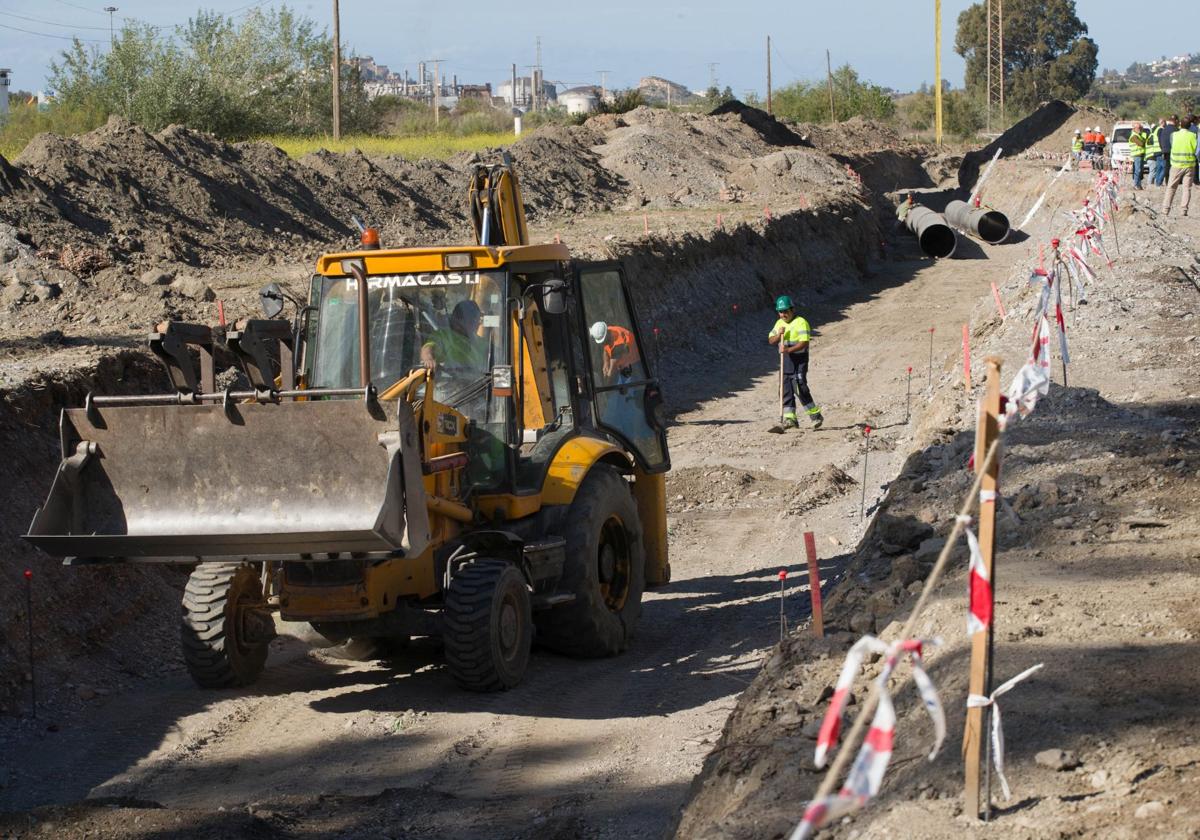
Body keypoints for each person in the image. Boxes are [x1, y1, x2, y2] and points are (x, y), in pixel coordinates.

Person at [767, 295, 823, 430]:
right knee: (785, 388)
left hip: (799, 361)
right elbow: (771, 341)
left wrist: (788, 349)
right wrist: (778, 335)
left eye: (786, 311)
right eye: (780, 312)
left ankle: (815, 416)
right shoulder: (779, 324)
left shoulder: (801, 322)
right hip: (786, 362)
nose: (783, 314)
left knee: (799, 386)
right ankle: (790, 419)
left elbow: (804, 343)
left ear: (792, 309)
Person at [421, 299, 488, 373]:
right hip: (449, 382)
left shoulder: (481, 342)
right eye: (474, 319)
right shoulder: (443, 335)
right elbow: (428, 348)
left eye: (478, 319)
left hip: (481, 383)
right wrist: (428, 359)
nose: (478, 323)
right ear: (459, 320)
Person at [1162, 115, 1197, 216]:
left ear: (1180, 124)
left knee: (1171, 187)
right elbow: (1196, 149)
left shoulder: (1174, 135)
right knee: (1187, 188)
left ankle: (1165, 209)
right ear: (1190, 126)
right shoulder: (1193, 136)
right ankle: (1183, 210)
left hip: (1176, 165)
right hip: (1189, 165)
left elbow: (1172, 145)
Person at [1129, 121, 1148, 189]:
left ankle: (1138, 185)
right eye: (1138, 128)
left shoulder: (1139, 135)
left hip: (1140, 155)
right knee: (1138, 170)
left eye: (1140, 128)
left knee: (1140, 170)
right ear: (1134, 128)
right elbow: (1141, 144)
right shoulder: (1134, 136)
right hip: (1137, 155)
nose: (1139, 129)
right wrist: (1144, 141)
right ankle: (1136, 185)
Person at [1160, 115, 1178, 186]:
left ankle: (1167, 181)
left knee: (1167, 166)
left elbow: (1160, 140)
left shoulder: (1164, 129)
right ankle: (1173, 181)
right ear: (1176, 121)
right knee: (1174, 166)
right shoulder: (1175, 129)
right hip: (1173, 151)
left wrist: (1163, 149)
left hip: (1165, 151)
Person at [1147, 118, 1164, 186]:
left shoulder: (1151, 134)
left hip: (1153, 154)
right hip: (1154, 154)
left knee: (1157, 169)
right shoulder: (1157, 132)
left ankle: (1156, 183)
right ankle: (1156, 183)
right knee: (1157, 169)